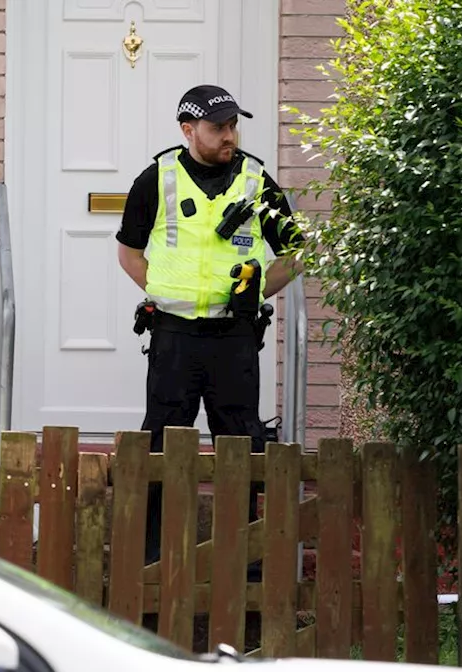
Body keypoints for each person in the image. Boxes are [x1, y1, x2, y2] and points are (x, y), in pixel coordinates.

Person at [116, 84, 304, 577]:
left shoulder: (257, 180)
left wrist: (257, 292)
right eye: (219, 126)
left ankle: (245, 570)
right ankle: (150, 564)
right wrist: (161, 291)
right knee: (159, 446)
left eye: (233, 126)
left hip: (235, 338)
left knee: (240, 448)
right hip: (174, 337)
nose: (229, 135)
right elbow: (129, 252)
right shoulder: (157, 178)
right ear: (188, 129)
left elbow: (297, 252)